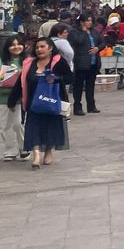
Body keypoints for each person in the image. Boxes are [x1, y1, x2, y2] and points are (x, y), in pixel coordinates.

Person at [19, 37, 72, 169]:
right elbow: (21, 82)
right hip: (33, 103)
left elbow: (70, 78)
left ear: (50, 48)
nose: (39, 50)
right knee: (33, 128)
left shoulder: (58, 62)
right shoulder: (29, 63)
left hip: (52, 101)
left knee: (50, 128)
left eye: (42, 47)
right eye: (37, 47)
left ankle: (48, 151)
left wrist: (56, 79)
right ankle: (36, 155)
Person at [0, 35, 28, 161]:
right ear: (7, 47)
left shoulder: (28, 61)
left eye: (19, 44)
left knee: (19, 124)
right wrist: (4, 78)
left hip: (20, 98)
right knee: (5, 126)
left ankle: (24, 148)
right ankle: (10, 151)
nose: (16, 47)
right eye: (13, 45)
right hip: (1, 98)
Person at [68, 14, 101, 115]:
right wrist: (83, 32)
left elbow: (102, 42)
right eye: (87, 20)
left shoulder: (94, 32)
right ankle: (77, 107)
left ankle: (91, 105)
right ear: (82, 22)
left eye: (91, 20)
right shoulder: (74, 32)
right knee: (78, 86)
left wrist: (97, 48)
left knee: (90, 85)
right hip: (81, 63)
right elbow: (78, 41)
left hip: (93, 63)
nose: (90, 23)